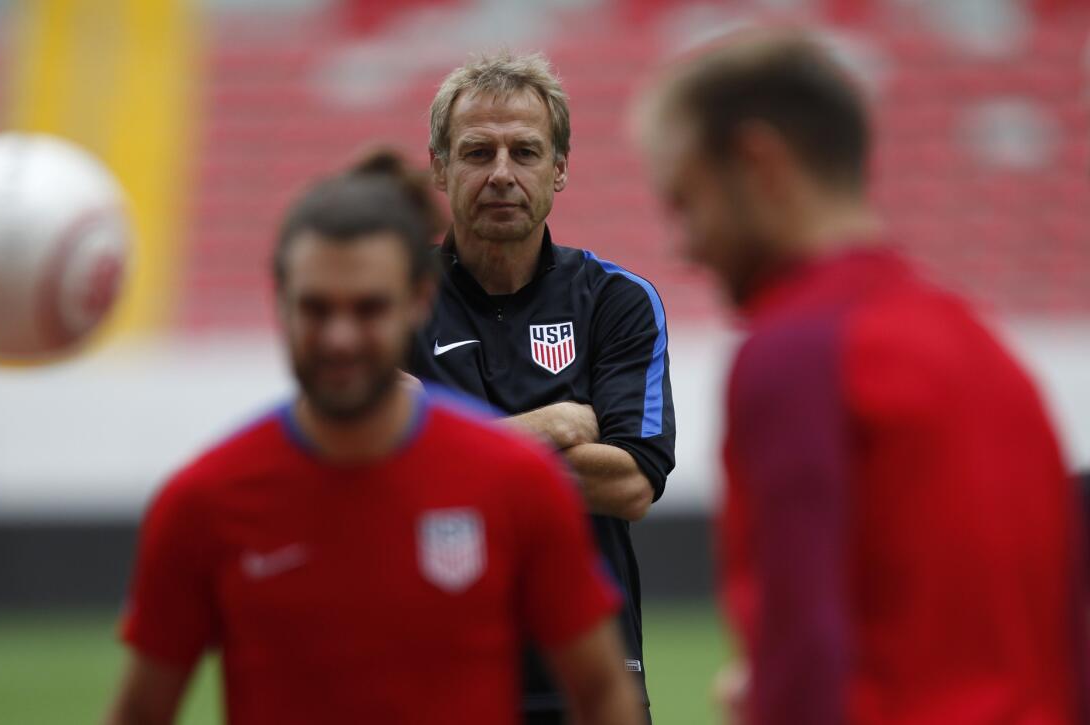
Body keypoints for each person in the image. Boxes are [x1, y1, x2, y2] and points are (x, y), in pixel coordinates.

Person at [634, 29, 1089, 725]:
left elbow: (802, 644)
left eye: (687, 202)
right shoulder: (989, 353)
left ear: (760, 164)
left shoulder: (796, 354)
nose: (685, 244)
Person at [103, 154, 645, 725]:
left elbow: (602, 693)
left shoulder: (521, 486)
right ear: (280, 304)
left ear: (417, 302)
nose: (340, 337)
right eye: (316, 308)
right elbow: (140, 711)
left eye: (369, 308)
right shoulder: (203, 502)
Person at [408, 51, 676, 724]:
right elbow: (386, 471)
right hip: (434, 667)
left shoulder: (618, 302)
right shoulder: (390, 303)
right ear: (440, 167)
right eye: (477, 152)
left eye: (525, 151)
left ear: (559, 170)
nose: (501, 173)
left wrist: (451, 450)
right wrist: (551, 425)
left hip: (591, 672)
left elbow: (629, 484)